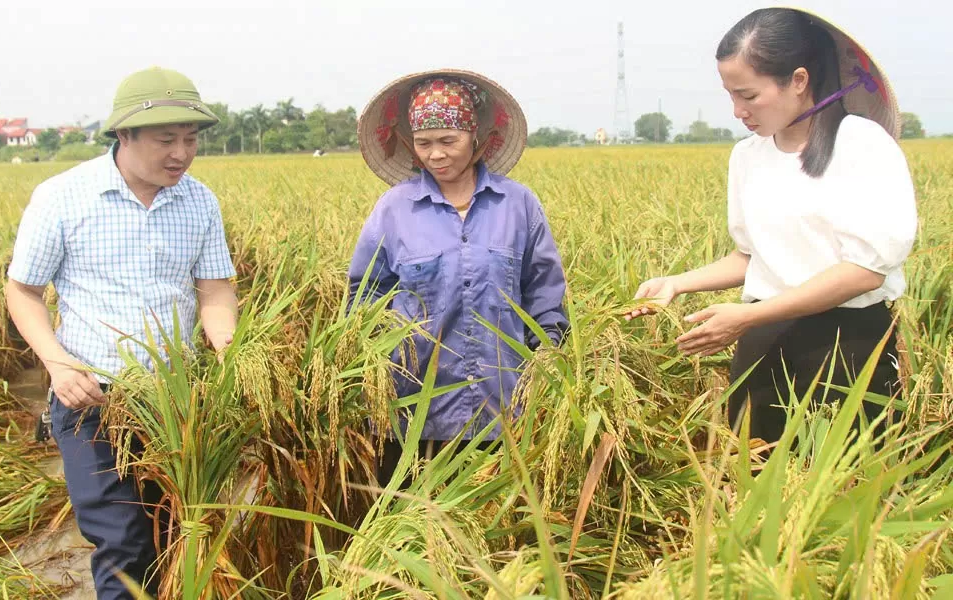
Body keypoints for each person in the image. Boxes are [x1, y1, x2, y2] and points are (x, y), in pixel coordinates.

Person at [624, 8, 916, 445]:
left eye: (749, 95)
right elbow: (751, 256)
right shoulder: (747, 156)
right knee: (755, 477)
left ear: (798, 80)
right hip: (762, 342)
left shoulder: (863, 144)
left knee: (845, 492)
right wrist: (677, 283)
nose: (738, 111)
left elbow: (865, 271)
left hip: (844, 346)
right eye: (731, 95)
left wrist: (751, 315)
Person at [5, 67, 238, 599]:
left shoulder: (199, 201)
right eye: (166, 140)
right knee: (125, 542)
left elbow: (214, 291)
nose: (181, 153)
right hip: (91, 400)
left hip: (174, 401)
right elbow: (23, 292)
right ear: (125, 135)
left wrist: (228, 354)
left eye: (190, 139)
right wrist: (59, 366)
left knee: (179, 533)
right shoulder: (63, 197)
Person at [348, 69, 569, 483]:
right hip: (414, 416)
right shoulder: (393, 210)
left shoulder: (518, 205)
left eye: (448, 141)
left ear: (476, 139)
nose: (436, 155)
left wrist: (546, 362)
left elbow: (544, 295)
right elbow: (365, 297)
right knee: (409, 531)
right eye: (424, 143)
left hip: (502, 410)